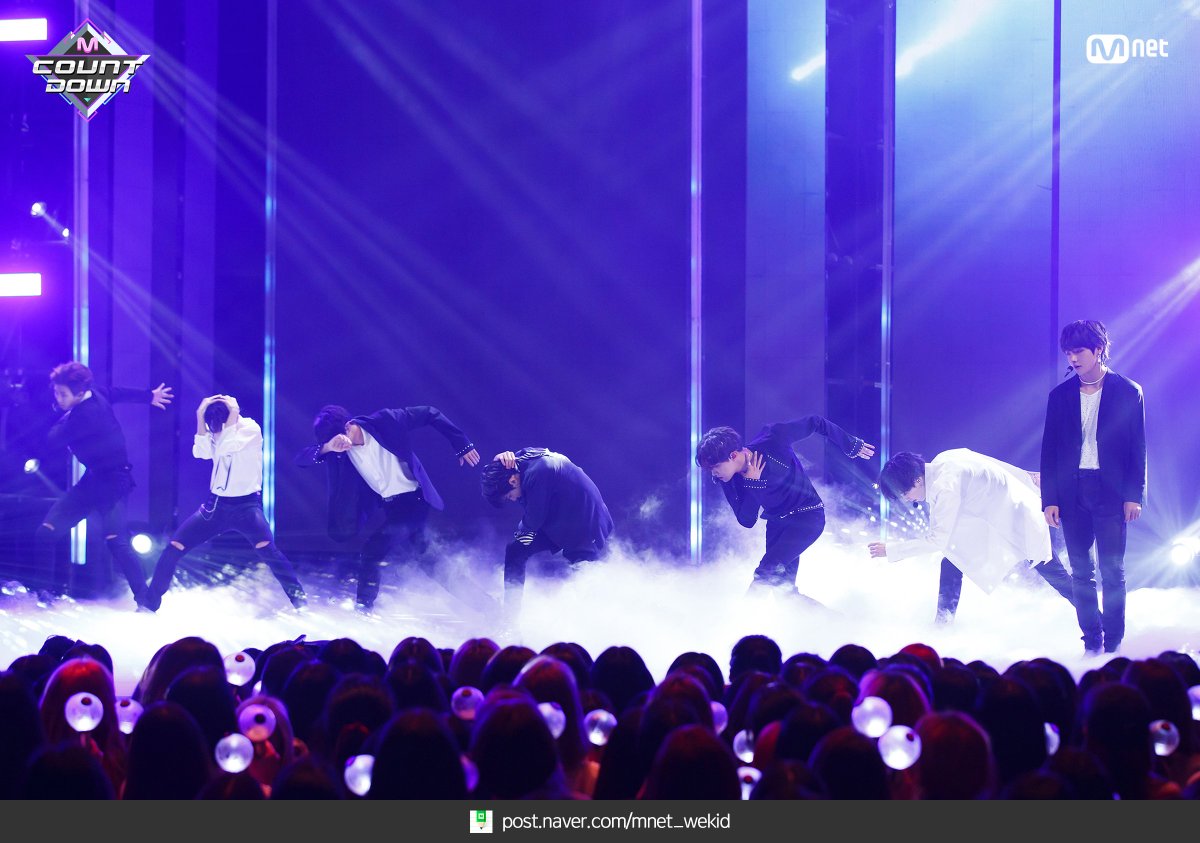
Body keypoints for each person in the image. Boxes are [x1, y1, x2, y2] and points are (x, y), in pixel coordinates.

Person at [294, 403, 490, 614]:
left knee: (372, 551)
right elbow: (301, 459)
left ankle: (363, 610)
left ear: (349, 425)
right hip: (392, 507)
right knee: (430, 562)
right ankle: (486, 605)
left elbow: (430, 413)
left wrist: (461, 443)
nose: (342, 446)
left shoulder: (385, 421)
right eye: (335, 443)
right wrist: (327, 447)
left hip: (415, 500)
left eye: (342, 439)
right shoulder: (337, 451)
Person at [141, 395, 306, 612]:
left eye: (218, 426)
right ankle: (149, 605)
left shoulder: (250, 429)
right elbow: (200, 453)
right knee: (174, 548)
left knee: (270, 553)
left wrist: (233, 413)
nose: (215, 431)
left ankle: (301, 604)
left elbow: (227, 446)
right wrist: (200, 415)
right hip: (215, 507)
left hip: (247, 507)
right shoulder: (216, 430)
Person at [870, 449, 1075, 624]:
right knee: (952, 561)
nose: (906, 499)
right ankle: (943, 623)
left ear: (917, 480)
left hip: (1018, 522)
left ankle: (1093, 618)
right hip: (1003, 517)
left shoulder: (944, 486)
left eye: (904, 494)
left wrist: (891, 550)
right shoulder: (945, 458)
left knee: (1057, 577)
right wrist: (1027, 478)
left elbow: (937, 539)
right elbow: (992, 464)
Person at [1040, 320, 1145, 655]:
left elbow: (1137, 448)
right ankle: (1092, 640)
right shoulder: (1059, 396)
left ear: (1098, 349)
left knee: (1113, 571)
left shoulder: (1128, 391)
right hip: (1072, 492)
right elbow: (1049, 450)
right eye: (1068, 353)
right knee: (1081, 573)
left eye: (1079, 351)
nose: (1072, 358)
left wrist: (1133, 495)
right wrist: (1050, 498)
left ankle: (1113, 642)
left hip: (1111, 491)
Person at [32, 361, 173, 604]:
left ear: (79, 393)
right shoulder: (95, 393)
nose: (58, 398)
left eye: (63, 394)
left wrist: (61, 416)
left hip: (114, 483)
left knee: (116, 542)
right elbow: (116, 392)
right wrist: (149, 396)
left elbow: (53, 438)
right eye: (56, 392)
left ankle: (146, 600)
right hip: (93, 479)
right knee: (46, 533)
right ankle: (43, 597)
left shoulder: (84, 416)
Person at [695, 418, 874, 602]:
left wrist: (849, 444)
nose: (713, 473)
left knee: (766, 572)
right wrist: (752, 483)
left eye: (715, 467)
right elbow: (747, 520)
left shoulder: (773, 438)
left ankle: (743, 617)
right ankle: (831, 618)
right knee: (784, 594)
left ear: (733, 455)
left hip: (807, 517)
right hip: (777, 526)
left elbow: (815, 422)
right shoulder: (729, 480)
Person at [480, 448, 613, 624]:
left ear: (512, 480)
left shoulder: (539, 472)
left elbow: (533, 520)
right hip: (558, 517)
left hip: (585, 524)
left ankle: (596, 622)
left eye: (509, 496)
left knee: (585, 576)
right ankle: (510, 619)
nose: (512, 500)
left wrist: (521, 532)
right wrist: (497, 461)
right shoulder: (516, 464)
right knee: (515, 551)